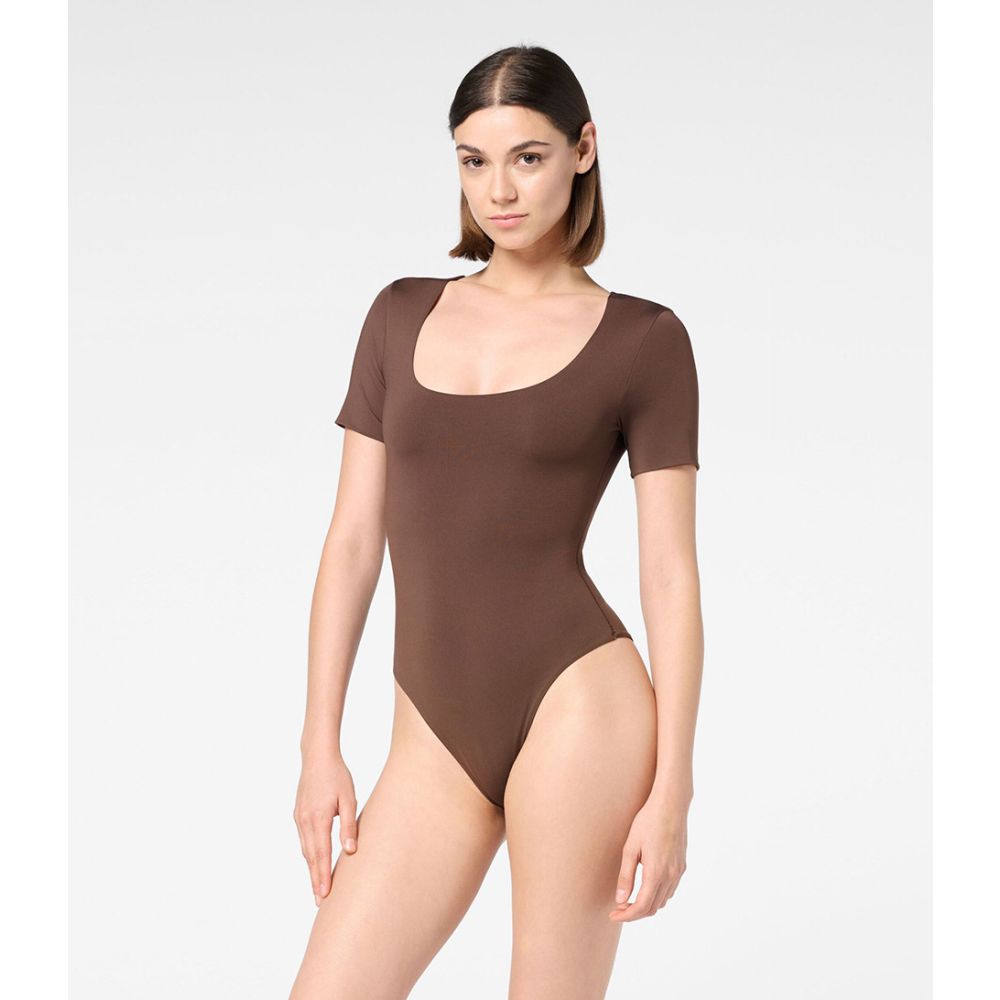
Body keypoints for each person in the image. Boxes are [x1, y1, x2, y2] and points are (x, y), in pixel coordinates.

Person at [289, 44, 704, 1000]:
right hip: (431, 730)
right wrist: (319, 743)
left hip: (581, 703)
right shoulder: (398, 316)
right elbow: (350, 543)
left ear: (584, 150)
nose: (499, 190)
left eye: (528, 156)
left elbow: (670, 574)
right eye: (474, 161)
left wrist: (673, 786)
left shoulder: (645, 340)